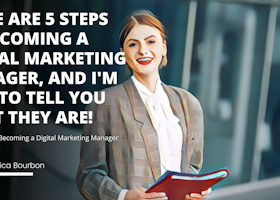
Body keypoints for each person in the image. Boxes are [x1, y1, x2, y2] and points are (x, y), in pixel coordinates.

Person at [77, 10, 211, 200]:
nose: (143, 50)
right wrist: (124, 196)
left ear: (163, 47)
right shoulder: (105, 103)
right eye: (133, 44)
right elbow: (88, 177)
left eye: (151, 41)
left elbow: (192, 167)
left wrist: (194, 190)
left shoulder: (189, 104)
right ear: (123, 54)